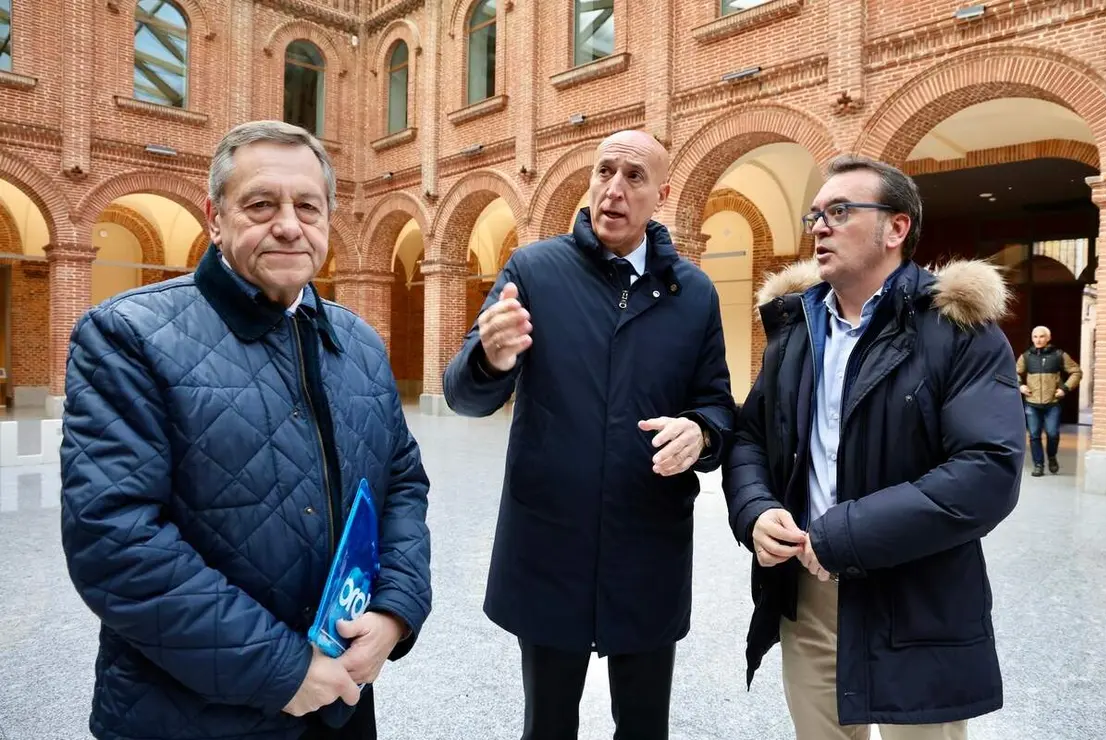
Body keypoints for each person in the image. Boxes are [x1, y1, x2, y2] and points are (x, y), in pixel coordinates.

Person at [59, 120, 432, 740]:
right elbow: (114, 538)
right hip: (189, 715)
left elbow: (401, 483)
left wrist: (396, 607)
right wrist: (284, 671)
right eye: (261, 204)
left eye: (307, 206)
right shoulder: (127, 337)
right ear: (215, 216)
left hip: (339, 706)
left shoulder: (359, 343)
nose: (289, 224)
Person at [442, 130, 733, 740]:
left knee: (645, 725)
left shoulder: (694, 294)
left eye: (634, 177)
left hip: (648, 540)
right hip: (550, 541)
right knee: (547, 724)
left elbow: (716, 404)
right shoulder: (534, 271)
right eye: (605, 172)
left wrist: (701, 433)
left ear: (663, 194)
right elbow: (464, 395)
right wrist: (490, 359)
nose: (614, 190)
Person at [723, 154, 1025, 740]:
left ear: (896, 228)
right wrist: (754, 510)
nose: (820, 226)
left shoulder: (958, 329)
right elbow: (751, 437)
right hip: (805, 596)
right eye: (815, 214)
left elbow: (986, 472)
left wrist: (842, 536)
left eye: (840, 210)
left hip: (915, 598)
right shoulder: (795, 331)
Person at [1017, 325, 1081, 476]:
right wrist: (1020, 386)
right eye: (1035, 337)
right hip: (1032, 403)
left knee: (1052, 434)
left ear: (1048, 338)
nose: (1038, 340)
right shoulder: (1026, 356)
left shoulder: (1059, 355)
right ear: (1032, 339)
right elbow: (1014, 373)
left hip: (1053, 404)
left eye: (1042, 336)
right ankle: (1038, 465)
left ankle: (1052, 457)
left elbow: (1076, 372)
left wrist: (1064, 388)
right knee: (1034, 435)